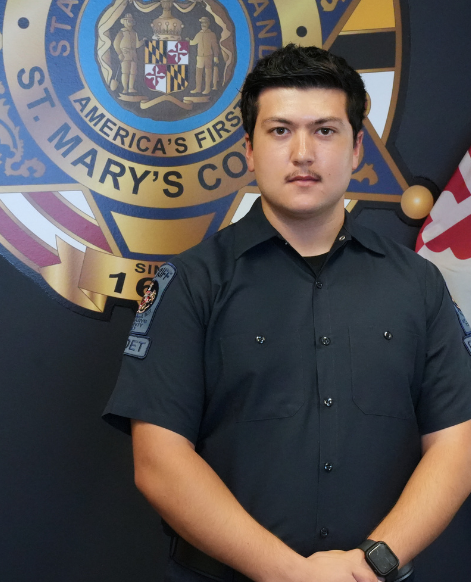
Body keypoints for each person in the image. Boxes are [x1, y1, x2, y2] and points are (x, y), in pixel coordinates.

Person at [103, 44, 471, 582]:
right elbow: (159, 462)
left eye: (325, 130)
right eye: (280, 131)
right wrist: (288, 574)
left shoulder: (418, 284)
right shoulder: (192, 282)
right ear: (249, 150)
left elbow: (456, 446)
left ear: (357, 151)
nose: (303, 152)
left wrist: (373, 563)